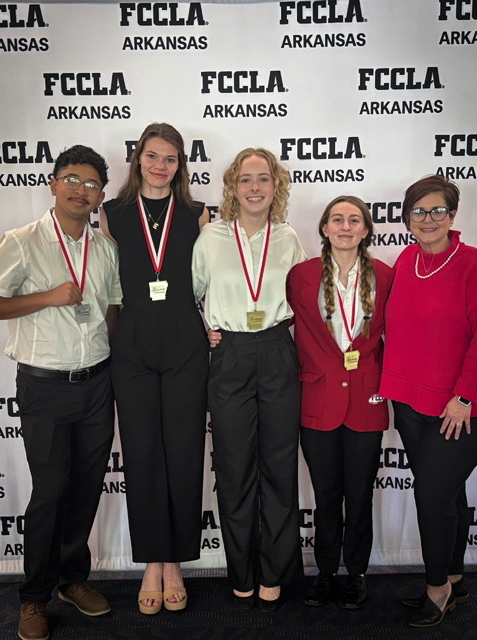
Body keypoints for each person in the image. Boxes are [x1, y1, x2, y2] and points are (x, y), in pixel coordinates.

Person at [0, 145, 121, 640]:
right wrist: (48, 297)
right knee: (50, 493)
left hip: (97, 383)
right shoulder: (22, 241)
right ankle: (33, 598)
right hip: (44, 385)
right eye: (72, 180)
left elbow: (113, 308)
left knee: (86, 488)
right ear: (54, 184)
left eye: (92, 185)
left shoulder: (105, 248)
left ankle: (72, 580)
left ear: (100, 196)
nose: (81, 191)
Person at [379, 175, 477, 628]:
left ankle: (437, 590)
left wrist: (464, 395)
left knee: (432, 494)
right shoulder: (406, 260)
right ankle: (455, 577)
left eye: (437, 210)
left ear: (452, 216)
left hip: (465, 406)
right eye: (418, 210)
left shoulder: (476, 263)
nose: (427, 218)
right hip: (412, 402)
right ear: (406, 218)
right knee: (448, 491)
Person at [101, 123, 209, 614]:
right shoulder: (112, 214)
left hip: (185, 339)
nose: (160, 165)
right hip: (133, 341)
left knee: (184, 450)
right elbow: (106, 285)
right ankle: (151, 561)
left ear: (180, 164)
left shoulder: (197, 213)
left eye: (170, 158)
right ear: (138, 159)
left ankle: (175, 561)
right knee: (142, 450)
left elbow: (213, 279)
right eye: (152, 156)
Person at [192, 148, 306, 612]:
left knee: (279, 468)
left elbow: (303, 297)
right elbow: (190, 296)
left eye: (263, 178)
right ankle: (241, 572)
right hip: (230, 354)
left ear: (276, 185)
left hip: (277, 350)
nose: (254, 187)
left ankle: (274, 572)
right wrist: (204, 331)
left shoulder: (288, 237)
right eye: (245, 179)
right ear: (232, 187)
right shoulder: (211, 237)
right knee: (235, 470)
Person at [287, 196, 393, 610]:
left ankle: (358, 573)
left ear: (365, 229)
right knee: (326, 495)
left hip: (367, 398)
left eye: (354, 220)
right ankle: (326, 571)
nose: (345, 227)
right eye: (337, 219)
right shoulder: (301, 275)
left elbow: (398, 335)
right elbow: (274, 319)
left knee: (360, 494)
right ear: (325, 228)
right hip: (317, 399)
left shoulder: (386, 276)